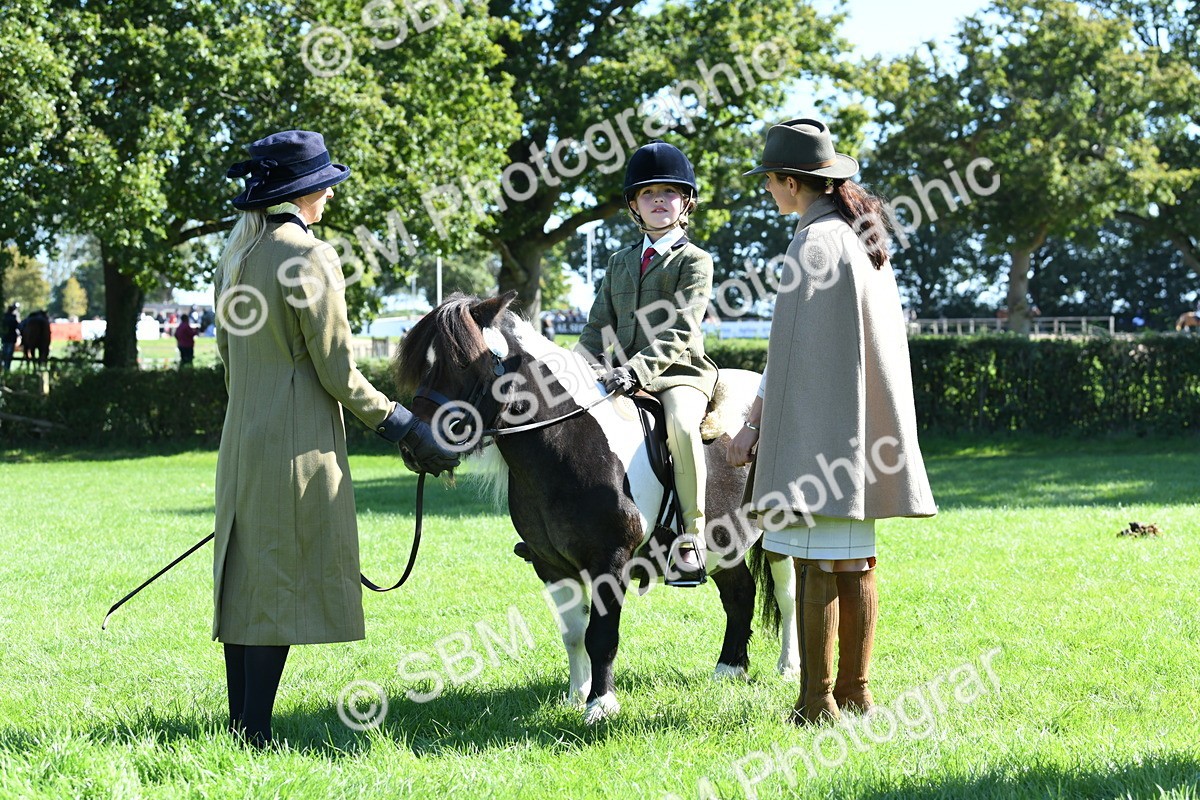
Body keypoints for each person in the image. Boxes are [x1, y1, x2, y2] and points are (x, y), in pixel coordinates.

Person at [213, 129, 459, 748]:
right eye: (325, 184)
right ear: (309, 190)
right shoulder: (309, 254)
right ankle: (255, 737)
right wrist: (405, 426)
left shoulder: (237, 255)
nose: (328, 195)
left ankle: (244, 729)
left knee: (247, 584)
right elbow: (338, 371)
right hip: (297, 448)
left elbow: (229, 362)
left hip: (240, 442)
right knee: (275, 588)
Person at [727, 118, 937, 724]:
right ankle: (857, 691)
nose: (769, 190)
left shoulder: (813, 242)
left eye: (770, 180)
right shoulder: (862, 237)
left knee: (817, 560)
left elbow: (785, 356)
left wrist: (753, 426)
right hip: (860, 441)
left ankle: (817, 703)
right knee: (855, 559)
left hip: (818, 439)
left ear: (792, 182)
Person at [577, 140, 719, 586]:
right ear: (635, 206)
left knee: (678, 426)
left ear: (686, 202)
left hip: (680, 375)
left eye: (669, 192)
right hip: (617, 375)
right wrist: (574, 369)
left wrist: (634, 372)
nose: (659, 199)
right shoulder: (619, 262)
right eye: (648, 193)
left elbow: (680, 330)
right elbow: (597, 326)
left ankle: (691, 538)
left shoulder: (695, 261)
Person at [1, 303, 20, 373]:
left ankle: (3, 368)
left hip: (5, 338)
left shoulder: (4, 317)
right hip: (11, 339)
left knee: (4, 353)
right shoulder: (14, 317)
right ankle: (7, 369)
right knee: (9, 354)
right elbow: (18, 326)